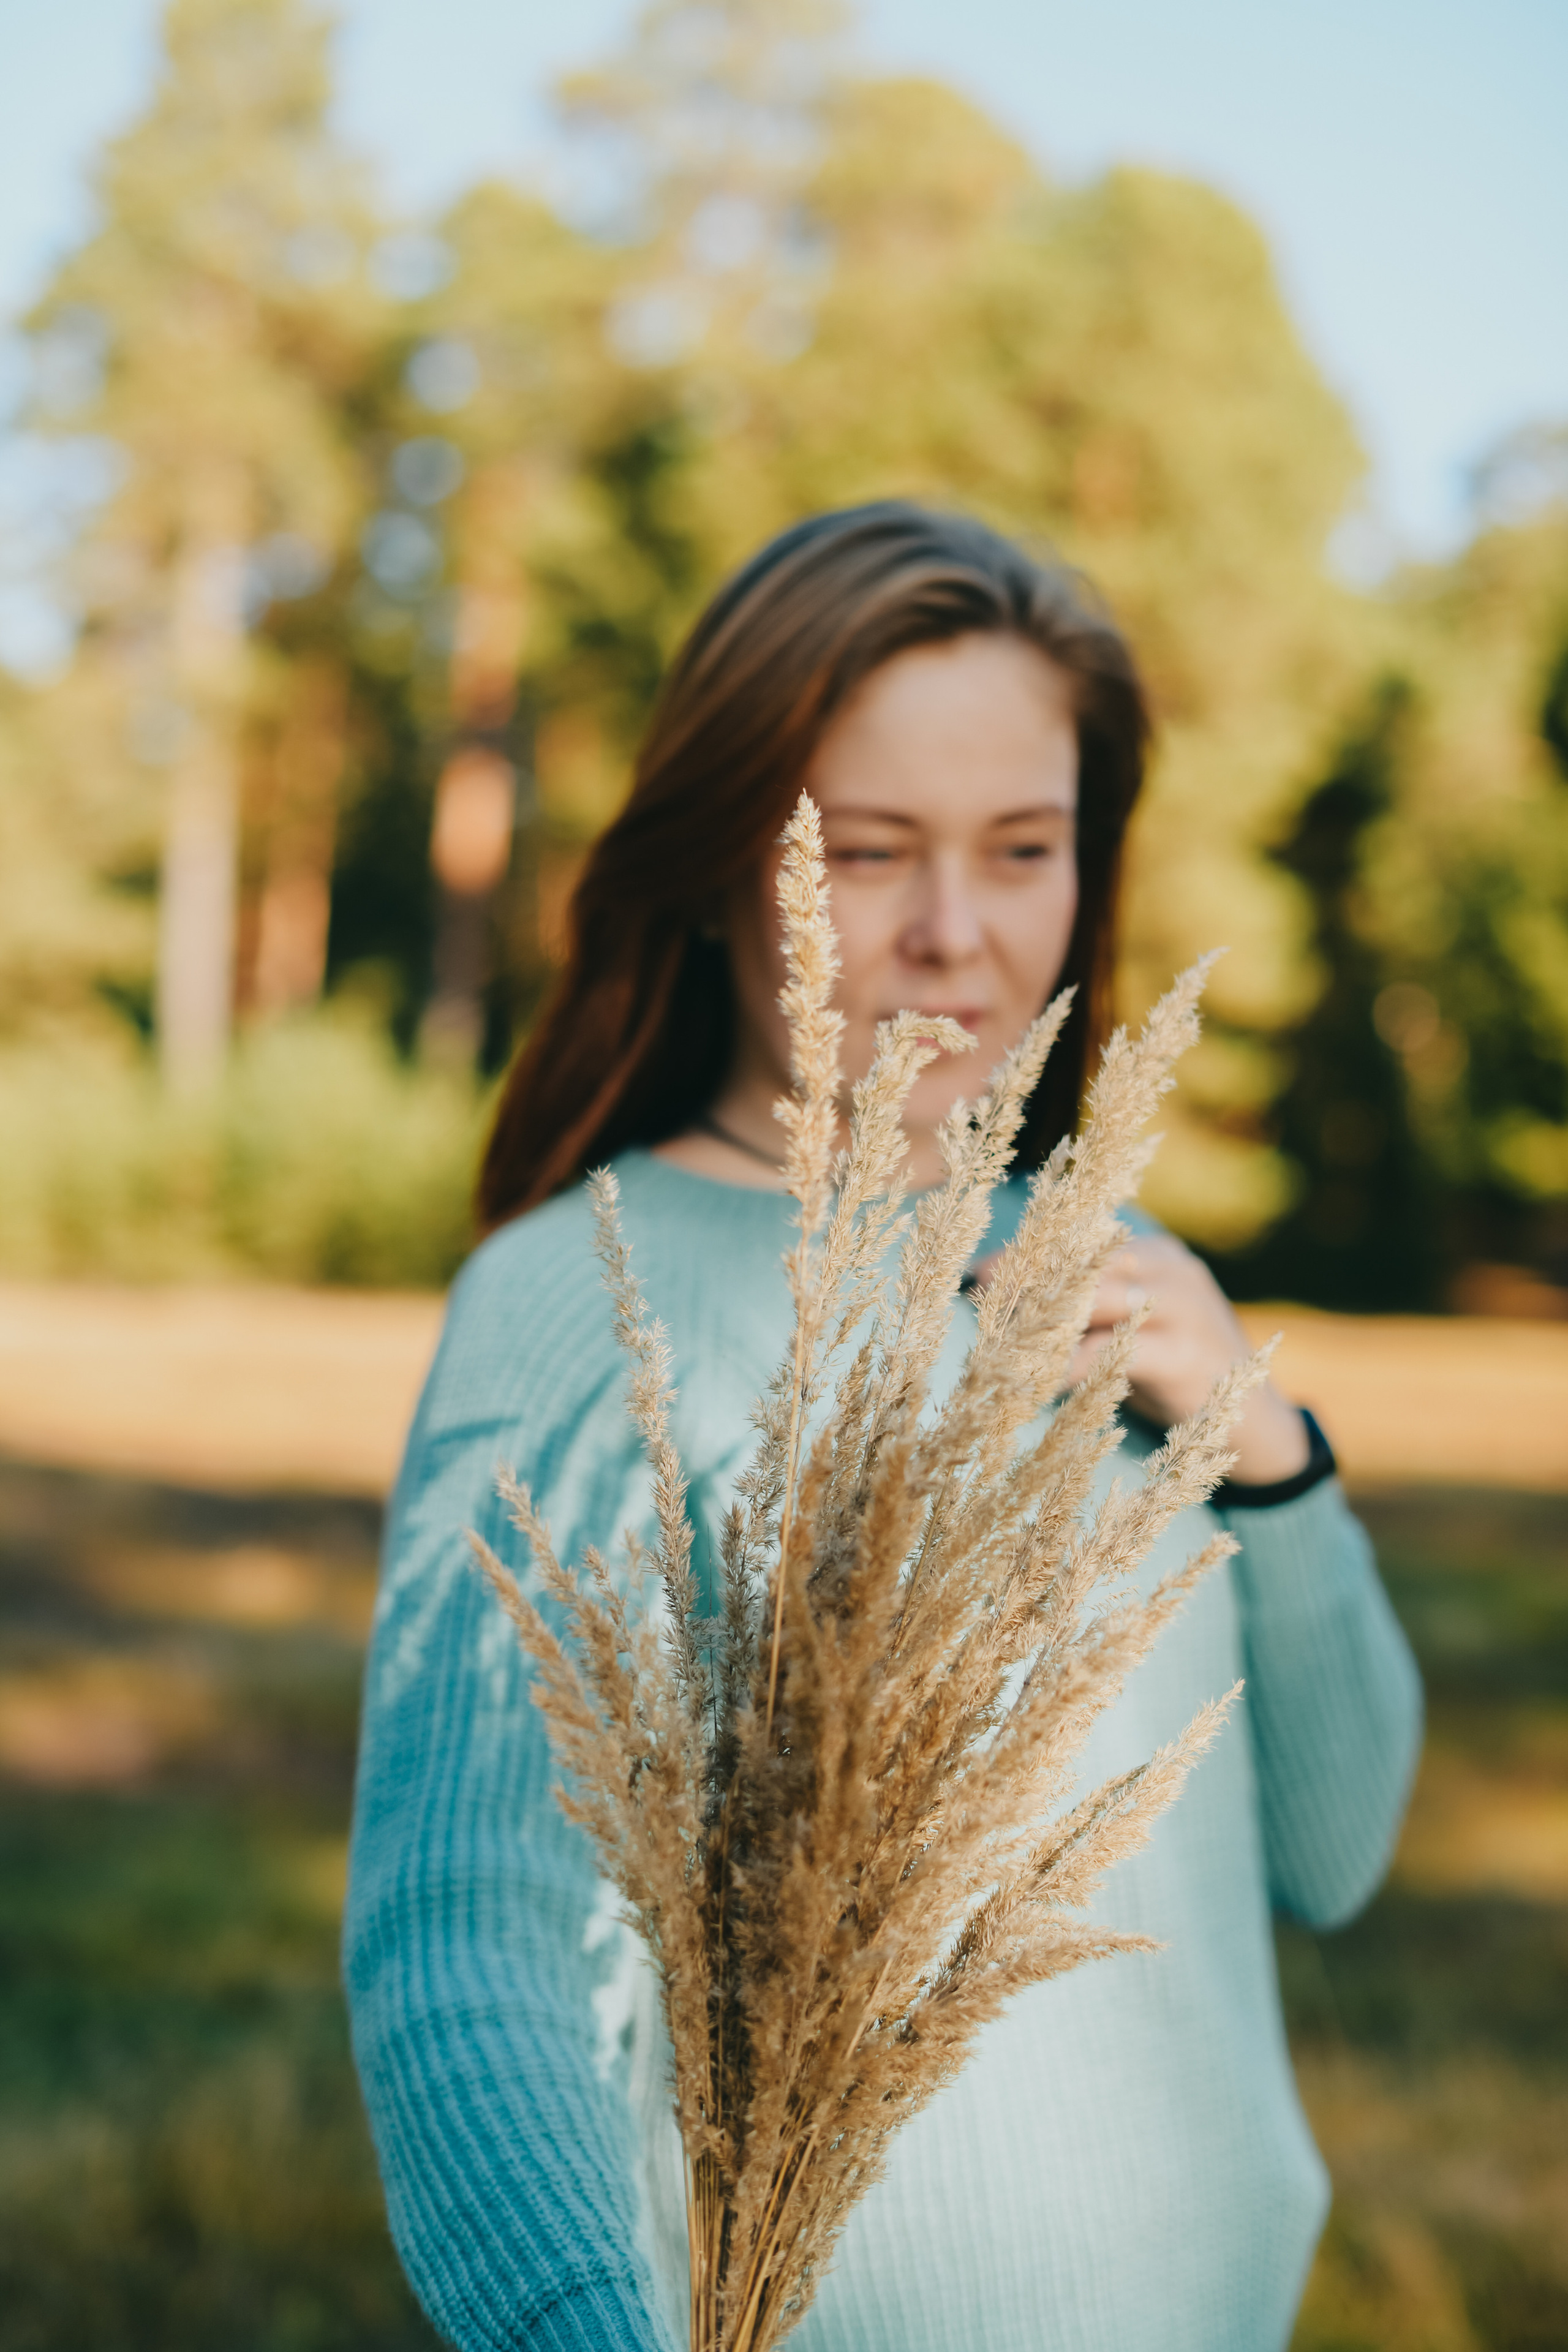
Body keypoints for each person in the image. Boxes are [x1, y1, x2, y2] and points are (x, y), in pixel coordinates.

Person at [345, 503, 1422, 2352]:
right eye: (864, 851)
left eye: (1024, 849)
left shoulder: (1116, 1269)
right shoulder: (580, 1296)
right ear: (718, 867)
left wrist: (1270, 1456)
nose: (953, 935)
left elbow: (1338, 1851)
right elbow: (462, 1947)